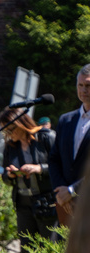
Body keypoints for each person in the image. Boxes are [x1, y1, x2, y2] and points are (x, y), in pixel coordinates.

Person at [0, 107, 58, 253]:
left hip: (47, 203)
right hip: (23, 204)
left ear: (21, 123)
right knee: (26, 252)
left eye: (10, 129)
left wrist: (40, 169)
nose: (8, 134)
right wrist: (10, 175)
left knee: (50, 250)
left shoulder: (46, 138)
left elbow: (63, 167)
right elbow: (4, 176)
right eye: (4, 130)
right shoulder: (10, 146)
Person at [51, 64, 90, 220]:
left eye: (88, 85)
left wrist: (73, 190)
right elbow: (54, 159)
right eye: (80, 85)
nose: (83, 90)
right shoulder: (66, 120)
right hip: (65, 203)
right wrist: (62, 192)